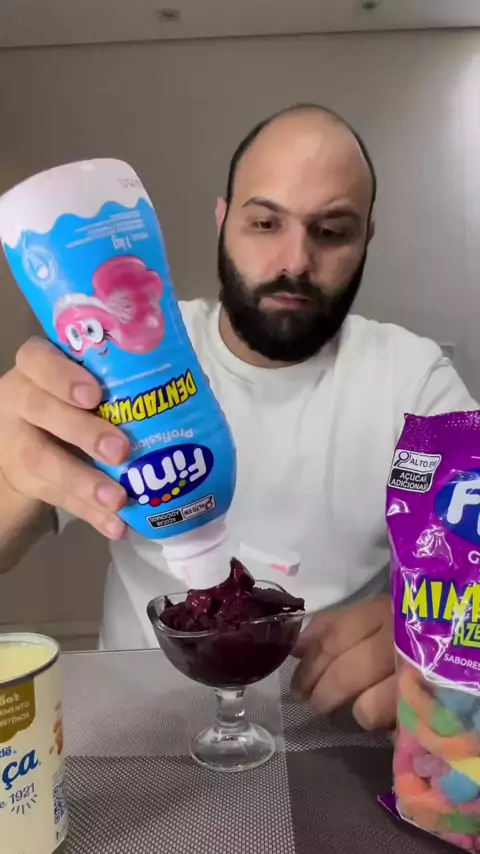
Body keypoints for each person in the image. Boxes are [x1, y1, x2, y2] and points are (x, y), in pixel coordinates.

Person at [0, 104, 475, 731]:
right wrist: (12, 472)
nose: (295, 261)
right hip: (140, 732)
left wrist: (441, 622)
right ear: (223, 220)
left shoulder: (411, 379)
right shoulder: (116, 363)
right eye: (265, 223)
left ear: (367, 239)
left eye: (331, 231)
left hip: (333, 729)